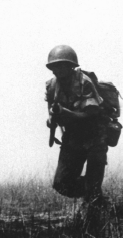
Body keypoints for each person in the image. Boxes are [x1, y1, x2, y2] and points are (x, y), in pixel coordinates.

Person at [44, 45, 108, 204]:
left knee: (93, 189)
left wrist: (68, 114)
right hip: (72, 138)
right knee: (62, 184)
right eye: (55, 66)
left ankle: (96, 202)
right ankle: (95, 196)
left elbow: (92, 113)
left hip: (94, 137)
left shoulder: (84, 82)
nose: (58, 69)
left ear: (71, 66)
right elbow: (51, 114)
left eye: (63, 65)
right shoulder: (51, 86)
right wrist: (52, 119)